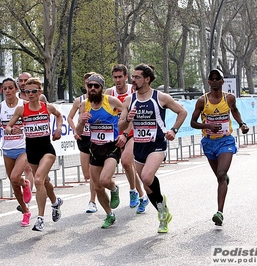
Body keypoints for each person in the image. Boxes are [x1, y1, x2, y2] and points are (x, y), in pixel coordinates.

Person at [118, 64, 187, 233]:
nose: (133, 80)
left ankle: (162, 208)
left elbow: (182, 112)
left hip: (157, 144)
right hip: (139, 145)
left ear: (147, 79)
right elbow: (120, 125)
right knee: (147, 185)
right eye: (132, 77)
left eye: (137, 77)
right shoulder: (130, 99)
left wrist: (173, 130)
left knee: (147, 177)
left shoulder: (160, 97)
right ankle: (162, 212)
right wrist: (128, 118)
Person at [190, 69, 249, 226]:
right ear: (208, 82)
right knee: (219, 175)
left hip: (225, 141)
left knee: (221, 174)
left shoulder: (229, 99)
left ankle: (219, 212)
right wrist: (207, 125)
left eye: (218, 79)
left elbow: (235, 112)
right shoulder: (202, 101)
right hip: (209, 142)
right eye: (212, 79)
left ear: (223, 81)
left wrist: (242, 124)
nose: (215, 81)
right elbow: (193, 122)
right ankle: (223, 178)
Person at [5, 77, 63, 232]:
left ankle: (40, 219)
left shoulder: (47, 107)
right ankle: (55, 202)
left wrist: (59, 129)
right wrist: (12, 130)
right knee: (43, 182)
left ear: (40, 91)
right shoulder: (21, 109)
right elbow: (8, 127)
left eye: (33, 91)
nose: (30, 94)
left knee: (37, 180)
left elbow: (59, 116)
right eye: (26, 91)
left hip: (46, 149)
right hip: (31, 150)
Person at [76, 73, 125, 229]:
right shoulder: (84, 104)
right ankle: (109, 214)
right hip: (95, 147)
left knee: (105, 180)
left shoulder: (110, 101)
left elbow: (129, 116)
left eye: (96, 86)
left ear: (101, 88)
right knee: (97, 187)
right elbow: (78, 130)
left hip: (112, 146)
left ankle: (114, 188)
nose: (92, 88)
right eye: (90, 86)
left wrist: (124, 133)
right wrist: (82, 121)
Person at [0, 77, 32, 227]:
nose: (7, 91)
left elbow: (33, 124)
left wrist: (22, 128)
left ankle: (25, 184)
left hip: (23, 147)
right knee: (13, 183)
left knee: (14, 176)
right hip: (7, 149)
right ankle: (26, 211)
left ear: (17, 90)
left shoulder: (24, 105)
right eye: (5, 88)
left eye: (10, 88)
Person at [105, 64, 149, 213]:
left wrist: (125, 134)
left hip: (133, 132)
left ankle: (132, 192)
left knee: (125, 161)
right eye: (115, 77)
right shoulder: (109, 93)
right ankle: (142, 196)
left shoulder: (133, 91)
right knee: (129, 166)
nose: (117, 80)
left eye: (120, 77)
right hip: (118, 133)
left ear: (126, 77)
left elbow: (133, 116)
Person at [67, 72, 98, 213]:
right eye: (87, 84)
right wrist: (75, 131)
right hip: (83, 138)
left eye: (93, 84)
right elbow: (69, 118)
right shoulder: (79, 100)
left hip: (97, 138)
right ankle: (99, 187)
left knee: (94, 172)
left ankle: (92, 200)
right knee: (87, 174)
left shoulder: (103, 100)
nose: (90, 87)